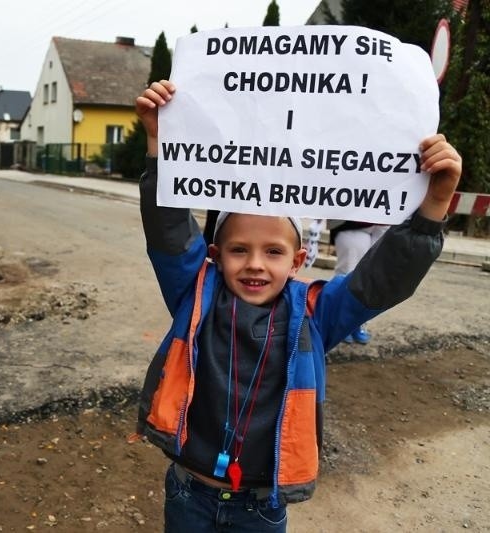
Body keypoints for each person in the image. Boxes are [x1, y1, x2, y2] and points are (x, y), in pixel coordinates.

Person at [134, 79, 462, 532]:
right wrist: (159, 142)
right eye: (238, 250)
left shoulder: (316, 313)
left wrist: (436, 202)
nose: (254, 265)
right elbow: (168, 231)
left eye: (273, 252)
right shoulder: (196, 294)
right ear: (213, 254)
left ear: (298, 260)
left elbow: (381, 281)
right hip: (190, 493)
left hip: (261, 506)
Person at [327, 220, 389, 343]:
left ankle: (357, 324)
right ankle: (340, 324)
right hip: (354, 224)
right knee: (347, 275)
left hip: (384, 224)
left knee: (373, 279)